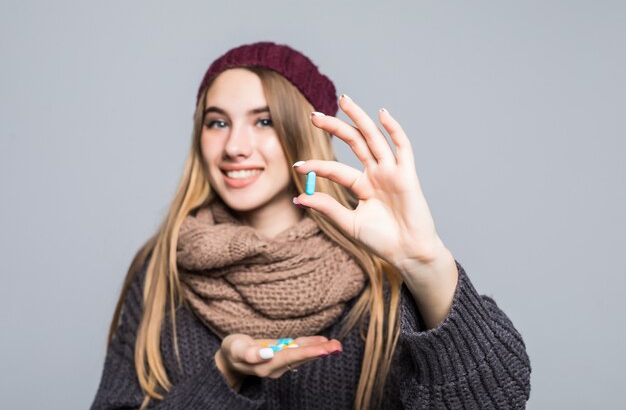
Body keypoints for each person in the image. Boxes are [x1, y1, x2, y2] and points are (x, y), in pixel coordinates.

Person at [90, 41, 531, 410]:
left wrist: (427, 262)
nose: (235, 146)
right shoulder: (162, 266)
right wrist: (225, 375)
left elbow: (498, 400)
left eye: (264, 121)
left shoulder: (379, 269)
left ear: (306, 131)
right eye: (217, 122)